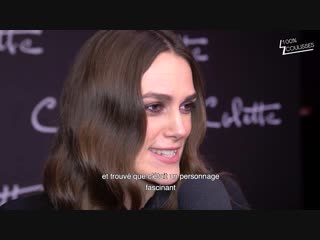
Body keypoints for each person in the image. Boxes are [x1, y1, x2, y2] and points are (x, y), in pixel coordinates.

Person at [0, 30, 249, 210]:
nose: (181, 128)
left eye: (186, 106)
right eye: (154, 107)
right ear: (100, 115)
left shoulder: (218, 199)